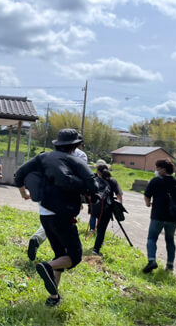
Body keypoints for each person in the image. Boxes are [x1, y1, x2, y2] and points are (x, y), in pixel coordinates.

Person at [14, 128, 99, 306]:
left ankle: (53, 297)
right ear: (76, 145)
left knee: (60, 254)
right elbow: (94, 185)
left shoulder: (43, 157)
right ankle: (47, 267)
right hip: (63, 215)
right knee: (74, 256)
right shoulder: (76, 161)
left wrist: (23, 192)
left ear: (58, 144)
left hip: (44, 214)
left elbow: (19, 174)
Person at [27, 132, 88, 261]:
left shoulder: (53, 154)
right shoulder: (81, 156)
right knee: (60, 223)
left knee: (50, 218)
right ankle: (60, 257)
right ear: (79, 144)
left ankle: (38, 239)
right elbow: (78, 178)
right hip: (65, 198)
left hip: (48, 193)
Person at [142, 158, 176, 272]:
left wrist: (148, 204)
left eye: (157, 168)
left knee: (152, 238)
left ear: (163, 170)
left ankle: (151, 261)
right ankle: (170, 265)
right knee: (170, 240)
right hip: (173, 217)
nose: (156, 171)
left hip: (157, 216)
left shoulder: (155, 181)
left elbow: (147, 195)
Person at [91, 164, 123, 256]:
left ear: (98, 171)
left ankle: (98, 241)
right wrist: (119, 207)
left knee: (98, 225)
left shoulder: (94, 180)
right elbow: (119, 195)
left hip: (95, 207)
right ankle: (96, 249)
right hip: (106, 208)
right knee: (101, 229)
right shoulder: (112, 181)